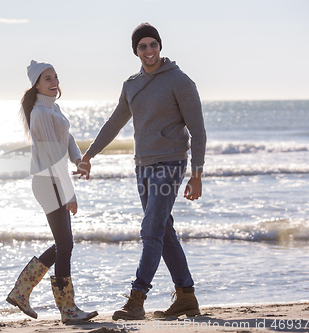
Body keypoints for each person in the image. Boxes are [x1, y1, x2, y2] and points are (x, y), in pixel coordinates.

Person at [76, 23, 207, 320]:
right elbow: (113, 124)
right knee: (163, 230)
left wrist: (196, 174)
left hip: (170, 165)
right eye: (142, 46)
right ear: (135, 51)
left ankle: (136, 299)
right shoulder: (131, 85)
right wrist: (89, 154)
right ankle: (186, 296)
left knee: (150, 230)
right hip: (142, 167)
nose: (149, 50)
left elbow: (198, 131)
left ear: (160, 46)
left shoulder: (180, 81)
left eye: (153, 44)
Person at [6, 60, 98, 323]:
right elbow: (50, 157)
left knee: (64, 244)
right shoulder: (40, 114)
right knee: (65, 244)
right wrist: (70, 194)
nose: (54, 81)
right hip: (48, 182)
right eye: (47, 78)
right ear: (36, 84)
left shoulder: (53, 108)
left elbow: (67, 141)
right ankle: (67, 310)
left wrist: (78, 160)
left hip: (55, 180)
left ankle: (21, 291)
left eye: (55, 76)